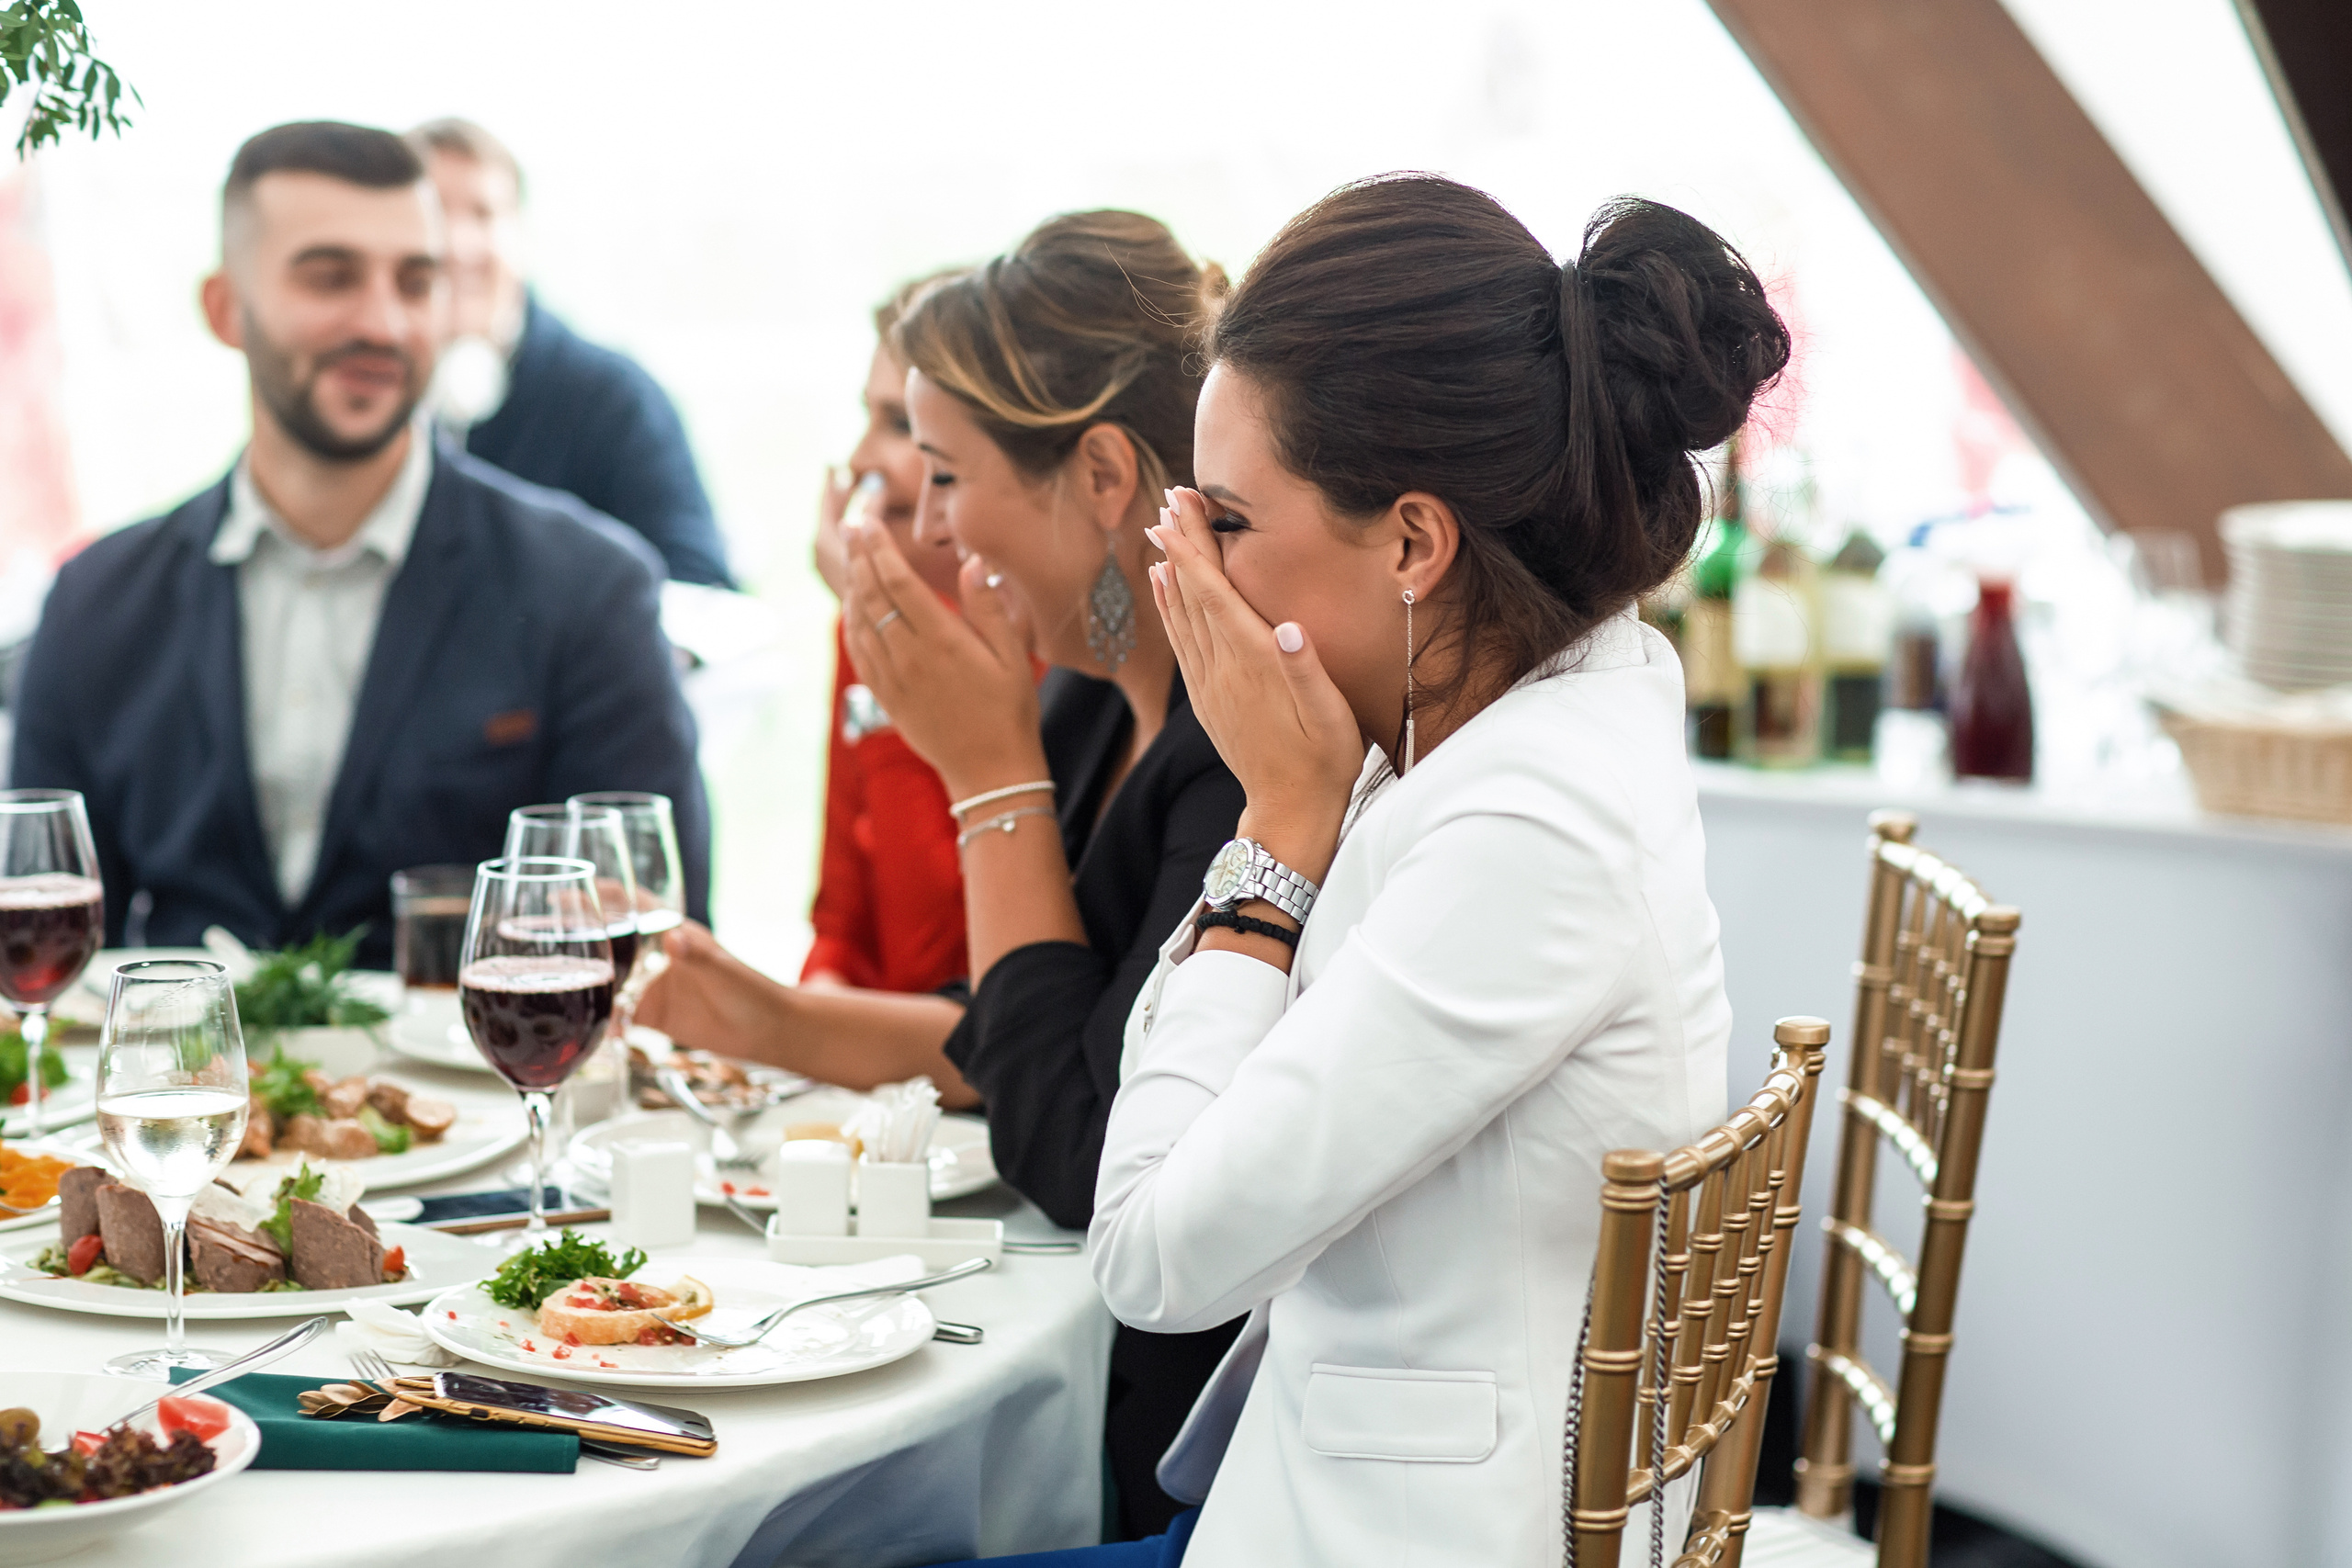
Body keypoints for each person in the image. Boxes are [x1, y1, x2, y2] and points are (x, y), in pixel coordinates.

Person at [933, 177, 1792, 1565]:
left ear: (1411, 541)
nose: (1182, 566)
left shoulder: (1533, 827)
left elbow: (1150, 1253)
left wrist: (1276, 827)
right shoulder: (1508, 707)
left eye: (1222, 518)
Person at [637, 212, 1244, 1538]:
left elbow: (1083, 1148)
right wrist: (776, 1017)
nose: (931, 531)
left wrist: (989, 779)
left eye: (949, 481)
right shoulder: (1097, 704)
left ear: (1099, 473)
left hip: (1181, 1469)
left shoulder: (1235, 760)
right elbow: (1039, 1031)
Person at [9, 120, 709, 968]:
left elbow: (658, 953)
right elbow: (44, 980)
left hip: (484, 1092)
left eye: (416, 282)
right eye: (331, 278)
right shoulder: (96, 601)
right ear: (225, 308)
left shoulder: (590, 591)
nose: (382, 322)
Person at [408, 117, 735, 587]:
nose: (459, 244)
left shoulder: (615, 399)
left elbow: (698, 584)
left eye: (482, 215)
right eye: (435, 215)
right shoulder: (371, 399)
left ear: (522, 236)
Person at [800, 273, 972, 994]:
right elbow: (841, 928)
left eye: (900, 425)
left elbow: (940, 963)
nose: (862, 458)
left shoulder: (1061, 656)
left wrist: (885, 634)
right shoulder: (862, 623)